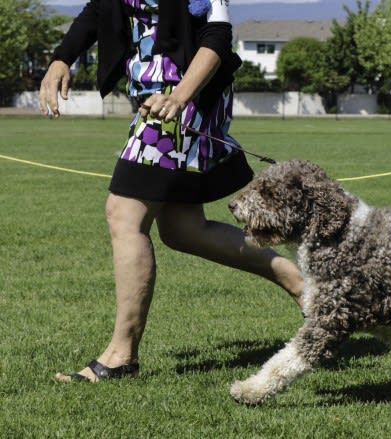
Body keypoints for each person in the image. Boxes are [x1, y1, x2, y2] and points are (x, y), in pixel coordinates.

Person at [38, 0, 303, 382]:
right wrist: (62, 58)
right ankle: (298, 281)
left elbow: (218, 35)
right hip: (151, 100)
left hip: (184, 99)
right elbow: (99, 9)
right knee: (183, 229)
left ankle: (120, 355)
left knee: (123, 212)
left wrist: (180, 97)